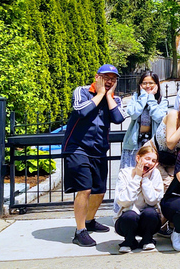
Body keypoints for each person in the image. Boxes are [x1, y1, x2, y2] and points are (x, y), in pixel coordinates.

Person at [63, 64, 127, 247]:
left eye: (113, 79)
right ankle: (80, 231)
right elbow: (81, 111)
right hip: (77, 148)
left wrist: (107, 96)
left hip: (99, 150)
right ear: (97, 77)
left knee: (99, 191)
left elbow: (118, 118)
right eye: (106, 77)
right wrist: (99, 94)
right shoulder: (82, 91)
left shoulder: (115, 99)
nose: (109, 81)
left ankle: (89, 221)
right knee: (84, 189)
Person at [114, 145, 164, 253]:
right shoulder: (124, 173)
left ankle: (147, 240)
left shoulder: (155, 174)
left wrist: (145, 179)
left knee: (150, 213)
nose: (149, 163)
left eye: (153, 161)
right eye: (147, 159)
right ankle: (129, 241)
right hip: (127, 221)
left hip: (148, 222)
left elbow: (152, 201)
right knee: (130, 215)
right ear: (138, 158)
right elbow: (123, 201)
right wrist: (137, 177)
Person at [120, 71, 167, 170]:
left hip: (153, 143)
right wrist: (143, 97)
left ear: (156, 85)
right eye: (144, 83)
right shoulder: (136, 98)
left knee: (149, 175)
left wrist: (150, 98)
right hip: (135, 143)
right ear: (140, 85)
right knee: (132, 175)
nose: (147, 86)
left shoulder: (162, 101)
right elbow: (133, 114)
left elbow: (159, 117)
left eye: (151, 83)